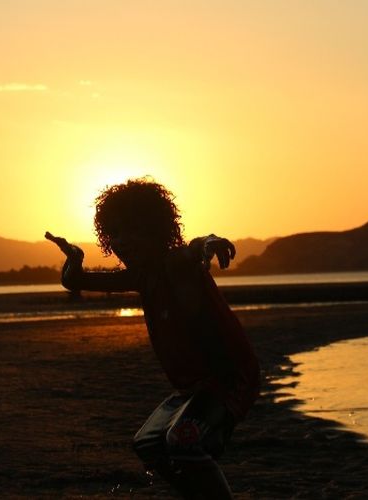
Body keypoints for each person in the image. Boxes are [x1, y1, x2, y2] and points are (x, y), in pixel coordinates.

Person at [46, 178, 260, 499]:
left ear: (155, 227)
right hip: (191, 388)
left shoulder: (175, 264)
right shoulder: (142, 276)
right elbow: (75, 280)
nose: (121, 241)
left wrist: (210, 242)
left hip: (229, 379)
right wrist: (74, 255)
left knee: (183, 442)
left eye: (131, 229)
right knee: (148, 444)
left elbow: (195, 247)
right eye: (114, 232)